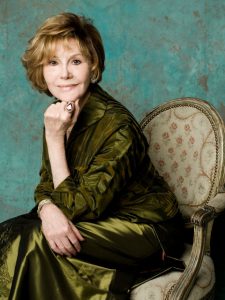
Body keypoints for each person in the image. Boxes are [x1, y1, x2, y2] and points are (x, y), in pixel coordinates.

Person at [0, 12, 184, 300]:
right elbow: (46, 185)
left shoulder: (118, 126)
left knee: (36, 240)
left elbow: (81, 208)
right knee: (8, 233)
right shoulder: (59, 113)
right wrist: (47, 209)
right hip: (95, 215)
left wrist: (53, 138)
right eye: (52, 63)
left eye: (76, 61)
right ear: (41, 70)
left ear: (93, 65)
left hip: (146, 228)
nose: (64, 74)